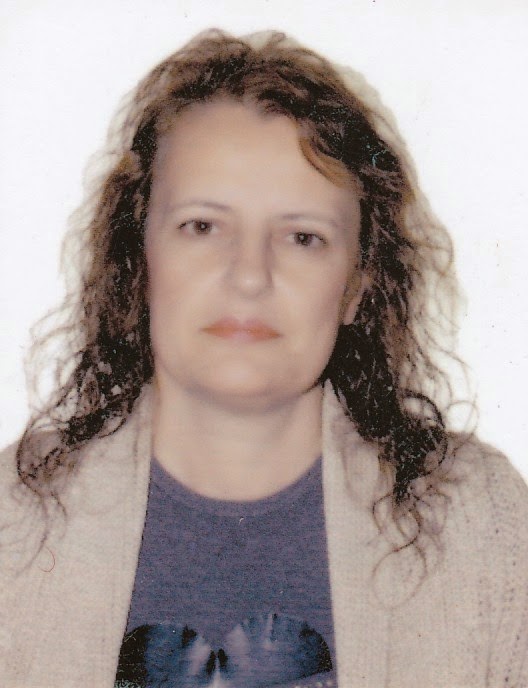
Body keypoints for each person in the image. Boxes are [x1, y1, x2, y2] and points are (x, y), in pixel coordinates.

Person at [1, 29, 527, 688]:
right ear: (139, 258)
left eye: (303, 237)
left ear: (357, 287)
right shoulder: (11, 522)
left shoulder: (479, 521)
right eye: (202, 226)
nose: (250, 275)